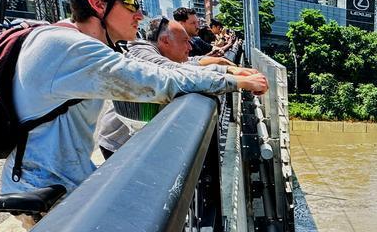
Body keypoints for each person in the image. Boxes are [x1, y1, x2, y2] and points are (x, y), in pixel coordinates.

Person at [2, 0, 268, 206]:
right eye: (131, 4)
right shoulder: (71, 48)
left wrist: (224, 70)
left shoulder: (79, 42)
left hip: (65, 178)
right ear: (97, 4)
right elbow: (158, 81)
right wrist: (234, 82)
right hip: (47, 189)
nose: (139, 14)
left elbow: (164, 71)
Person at [96, 17, 258, 157]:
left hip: (140, 139)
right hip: (120, 144)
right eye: (184, 42)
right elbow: (175, 72)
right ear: (165, 41)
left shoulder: (160, 52)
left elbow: (191, 62)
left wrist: (225, 67)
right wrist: (234, 81)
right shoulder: (141, 53)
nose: (190, 47)